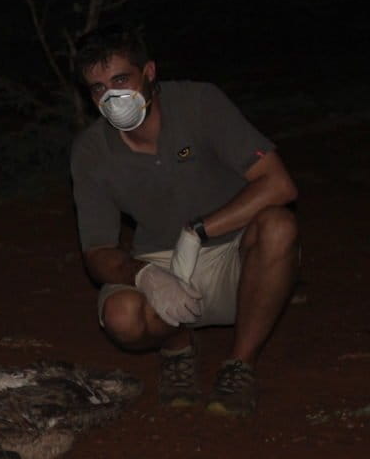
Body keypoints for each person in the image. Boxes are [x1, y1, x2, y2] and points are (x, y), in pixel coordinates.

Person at [70, 24, 299, 416]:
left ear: (150, 72)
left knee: (279, 227)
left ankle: (239, 365)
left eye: (121, 79)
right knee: (121, 316)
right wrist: (146, 275)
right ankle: (177, 349)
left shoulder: (199, 103)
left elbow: (279, 184)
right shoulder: (91, 151)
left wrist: (199, 230)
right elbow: (97, 251)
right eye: (98, 88)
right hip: (158, 258)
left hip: (232, 252)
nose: (112, 96)